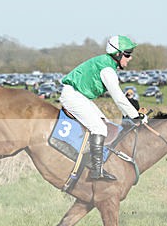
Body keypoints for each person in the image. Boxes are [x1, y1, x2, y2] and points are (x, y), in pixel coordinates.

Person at [59, 35, 145, 181]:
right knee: (99, 129)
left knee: (104, 123)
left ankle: (91, 160)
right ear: (117, 54)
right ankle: (96, 171)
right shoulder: (107, 70)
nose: (130, 58)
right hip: (73, 96)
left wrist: (132, 115)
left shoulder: (107, 64)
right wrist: (135, 116)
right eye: (128, 54)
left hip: (79, 96)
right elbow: (118, 97)